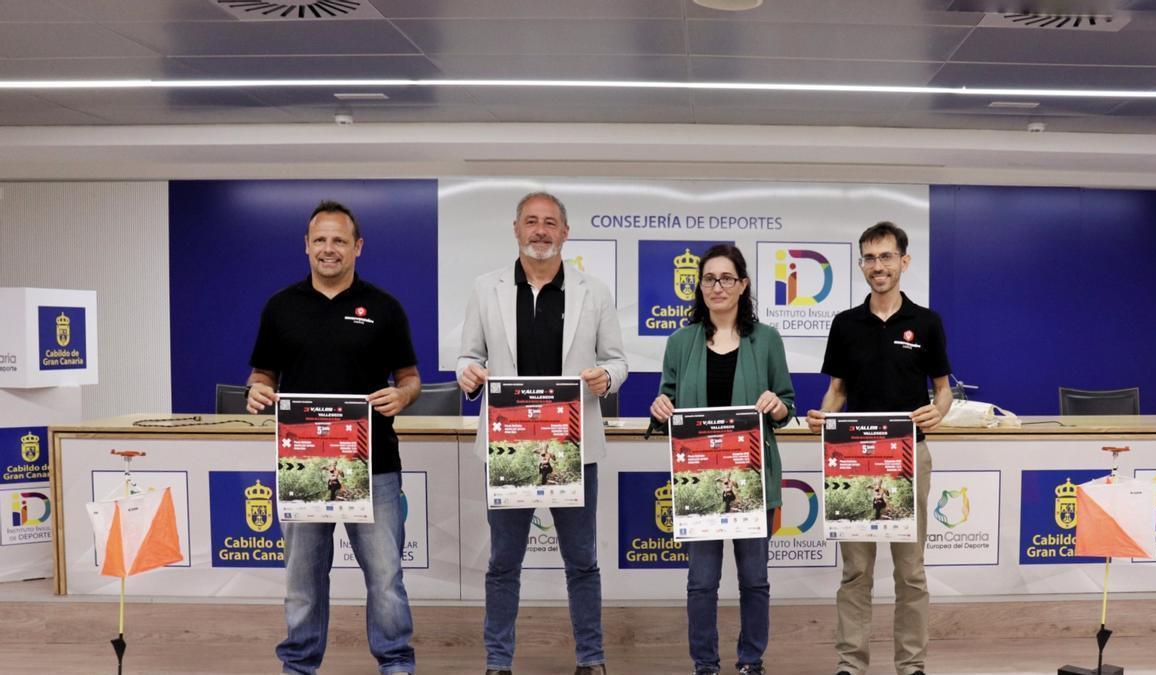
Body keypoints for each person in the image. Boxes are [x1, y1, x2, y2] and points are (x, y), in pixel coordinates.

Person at [456, 191, 628, 675]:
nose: (540, 231)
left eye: (550, 222)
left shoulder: (593, 290)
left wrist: (607, 378)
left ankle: (591, 660)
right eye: (531, 221)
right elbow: (469, 356)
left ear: (565, 233)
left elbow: (618, 361)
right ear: (515, 228)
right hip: (509, 445)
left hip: (573, 446)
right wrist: (468, 374)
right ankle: (498, 662)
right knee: (504, 562)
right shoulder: (485, 288)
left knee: (582, 561)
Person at [246, 200, 421, 675]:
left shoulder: (384, 307)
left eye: (339, 240)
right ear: (306, 246)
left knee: (385, 579)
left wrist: (402, 397)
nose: (329, 249)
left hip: (374, 465)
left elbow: (410, 378)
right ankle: (299, 666)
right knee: (303, 581)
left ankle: (396, 665)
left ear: (357, 247)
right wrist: (258, 391)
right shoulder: (280, 306)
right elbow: (262, 374)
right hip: (304, 463)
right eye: (320, 240)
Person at [804, 221, 952, 675]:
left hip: (909, 459)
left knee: (910, 574)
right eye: (869, 258)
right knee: (855, 573)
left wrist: (939, 411)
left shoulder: (926, 321)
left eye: (886, 256)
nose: (877, 266)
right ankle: (851, 664)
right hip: (853, 461)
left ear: (904, 261)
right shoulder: (845, 324)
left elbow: (942, 390)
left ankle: (911, 666)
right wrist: (822, 417)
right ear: (862, 264)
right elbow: (837, 391)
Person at [649, 243, 795, 675]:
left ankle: (751, 661)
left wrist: (776, 406)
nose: (717, 287)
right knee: (701, 583)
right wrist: (660, 409)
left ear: (743, 284)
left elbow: (787, 406)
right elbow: (667, 405)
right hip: (699, 482)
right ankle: (705, 665)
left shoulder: (766, 340)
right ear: (700, 286)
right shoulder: (680, 341)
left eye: (726, 278)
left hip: (753, 483)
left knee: (755, 581)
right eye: (709, 279)